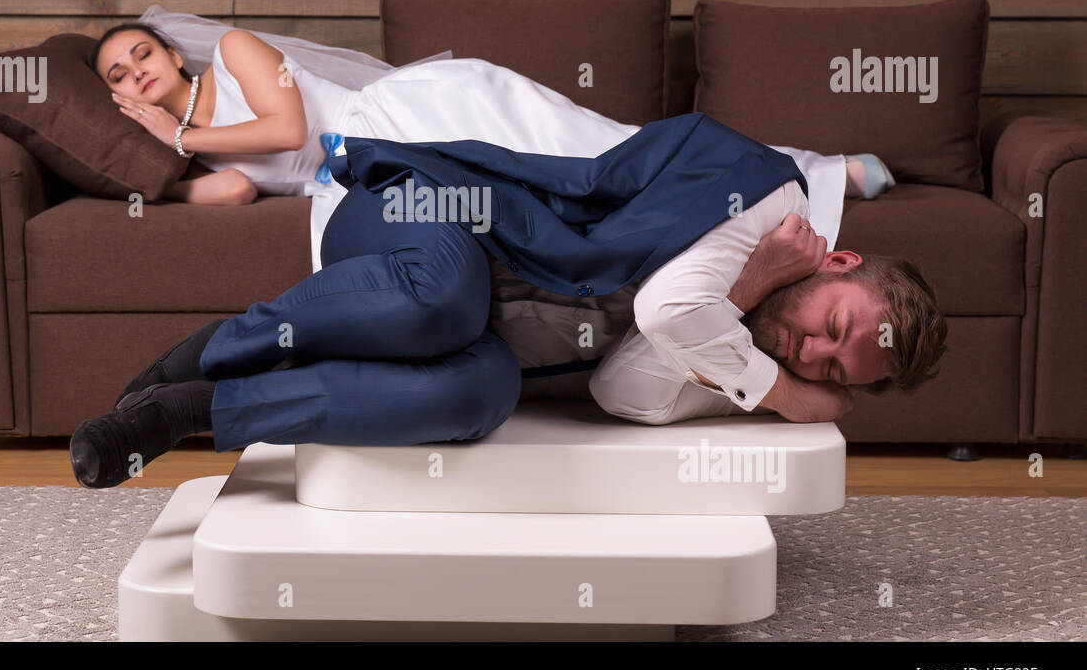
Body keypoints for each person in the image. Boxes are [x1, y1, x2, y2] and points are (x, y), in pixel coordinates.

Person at [68, 113, 945, 489]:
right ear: (836, 259)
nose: (806, 354)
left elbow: (621, 393)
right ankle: (211, 352)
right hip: (429, 213)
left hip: (491, 327)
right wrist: (786, 393)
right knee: (445, 300)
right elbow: (671, 311)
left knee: (476, 395)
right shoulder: (769, 202)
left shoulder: (737, 346)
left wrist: (746, 317)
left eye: (832, 368)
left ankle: (197, 407)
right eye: (833, 328)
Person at [90, 8, 895, 270]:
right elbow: (235, 190)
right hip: (376, 179)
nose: (135, 77)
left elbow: (291, 127)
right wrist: (156, 167)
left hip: (420, 116)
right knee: (568, 211)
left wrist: (184, 135)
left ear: (170, 50)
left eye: (140, 57)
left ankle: (813, 173)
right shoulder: (185, 139)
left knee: (606, 155)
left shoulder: (232, 55)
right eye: (118, 79)